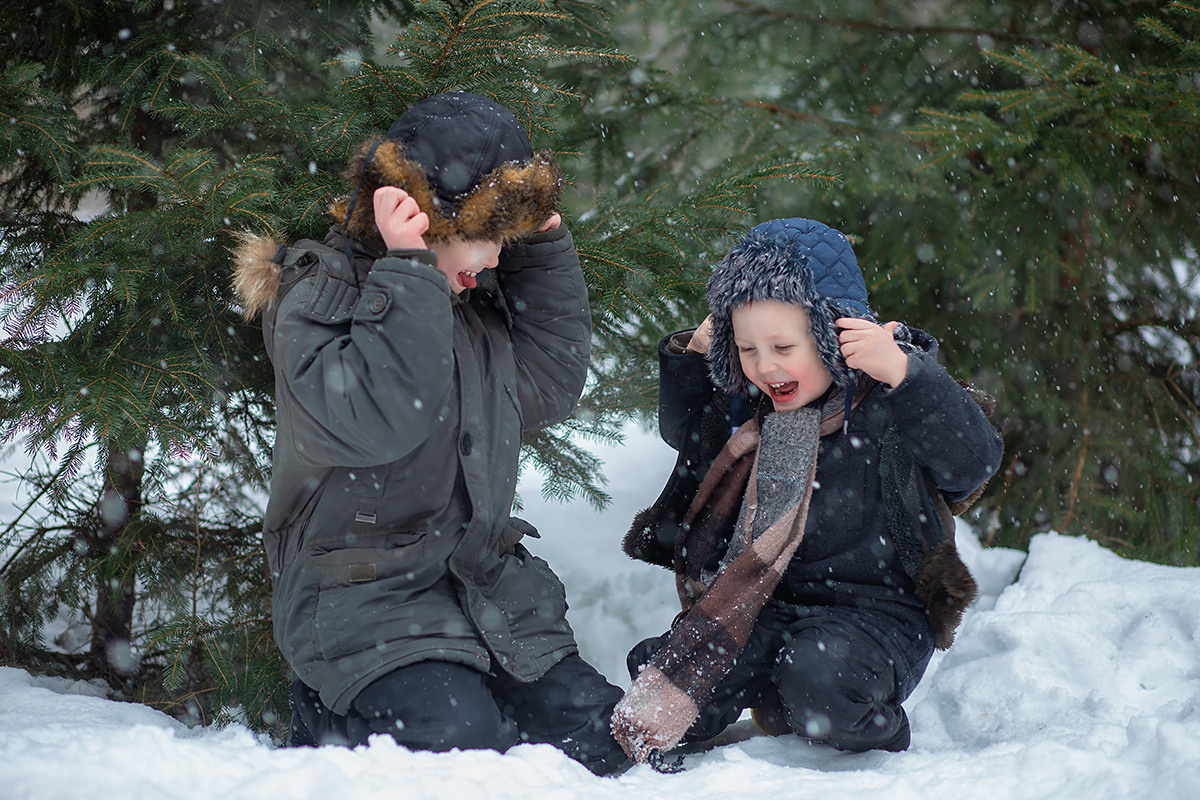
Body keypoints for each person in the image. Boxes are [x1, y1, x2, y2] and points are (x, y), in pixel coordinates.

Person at [231, 91, 627, 775]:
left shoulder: (465, 299)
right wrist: (411, 269)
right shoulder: (320, 298)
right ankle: (328, 713)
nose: (501, 260)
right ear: (428, 222)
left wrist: (545, 250)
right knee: (462, 752)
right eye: (493, 237)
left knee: (606, 738)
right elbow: (379, 422)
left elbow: (548, 385)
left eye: (511, 240)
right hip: (363, 599)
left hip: (478, 589)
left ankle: (474, 689)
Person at [612, 217, 1004, 767]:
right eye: (746, 349)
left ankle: (860, 717)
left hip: (876, 617)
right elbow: (692, 439)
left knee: (822, 680)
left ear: (833, 333)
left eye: (782, 345)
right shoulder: (757, 411)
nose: (765, 366)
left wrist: (906, 375)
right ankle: (778, 685)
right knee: (674, 677)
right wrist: (693, 360)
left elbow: (973, 462)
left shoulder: (888, 403)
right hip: (768, 602)